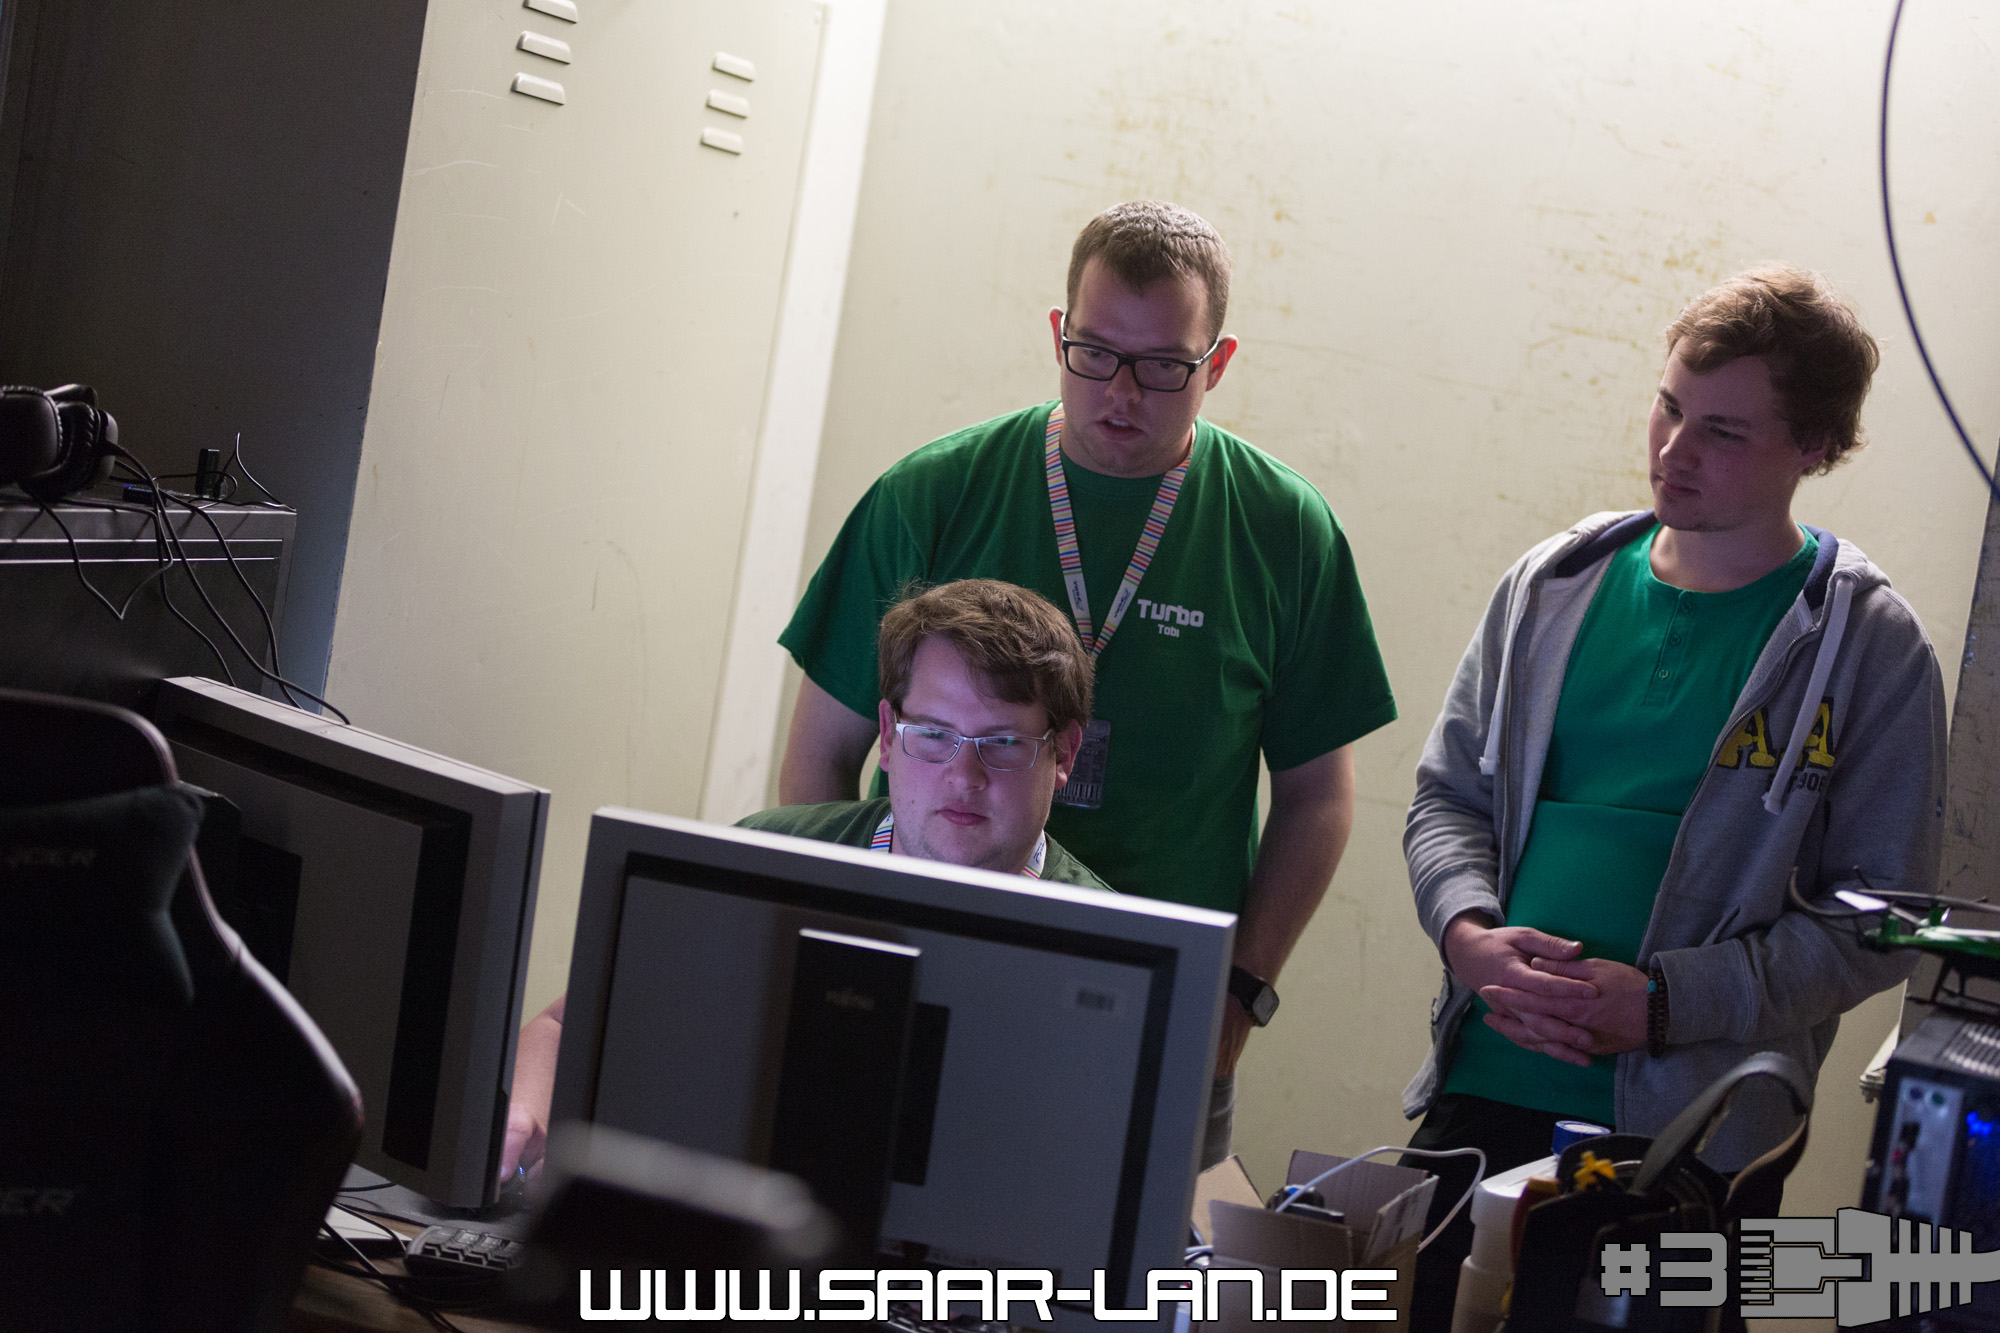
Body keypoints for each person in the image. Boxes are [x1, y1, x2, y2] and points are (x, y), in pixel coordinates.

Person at [777, 201, 1397, 1162]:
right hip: (921, 975)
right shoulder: (932, 494)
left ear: (1218, 364)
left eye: (1164, 366)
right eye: (1095, 353)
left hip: (1159, 1010)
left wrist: (1240, 993)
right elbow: (821, 756)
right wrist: (854, 950)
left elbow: (1318, 798)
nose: (1122, 390)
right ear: (1058, 333)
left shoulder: (1285, 529)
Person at [1399, 265, 1944, 1329]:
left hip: (1693, 1140)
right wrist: (1466, 935)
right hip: (1485, 1083)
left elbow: (1878, 922)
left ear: (1814, 446)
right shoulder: (1552, 584)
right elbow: (1446, 799)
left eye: (1722, 431)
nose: (1673, 450)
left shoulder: (1869, 646)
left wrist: (1662, 1003)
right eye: (1667, 407)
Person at [499, 579, 1109, 1180]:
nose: (964, 775)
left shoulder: (1111, 949)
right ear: (888, 736)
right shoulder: (762, 856)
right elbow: (562, 1028)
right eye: (933, 734)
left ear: (1064, 754)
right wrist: (522, 1120)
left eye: (1002, 743)